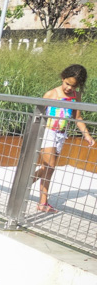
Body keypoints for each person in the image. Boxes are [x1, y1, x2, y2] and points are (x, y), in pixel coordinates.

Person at [34, 64, 95, 213]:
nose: (69, 88)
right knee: (50, 166)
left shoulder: (76, 96)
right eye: (67, 84)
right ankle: (39, 198)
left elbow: (77, 117)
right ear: (63, 78)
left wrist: (86, 134)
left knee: (47, 169)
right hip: (47, 131)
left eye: (73, 86)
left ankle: (31, 188)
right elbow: (38, 114)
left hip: (61, 134)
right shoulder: (52, 94)